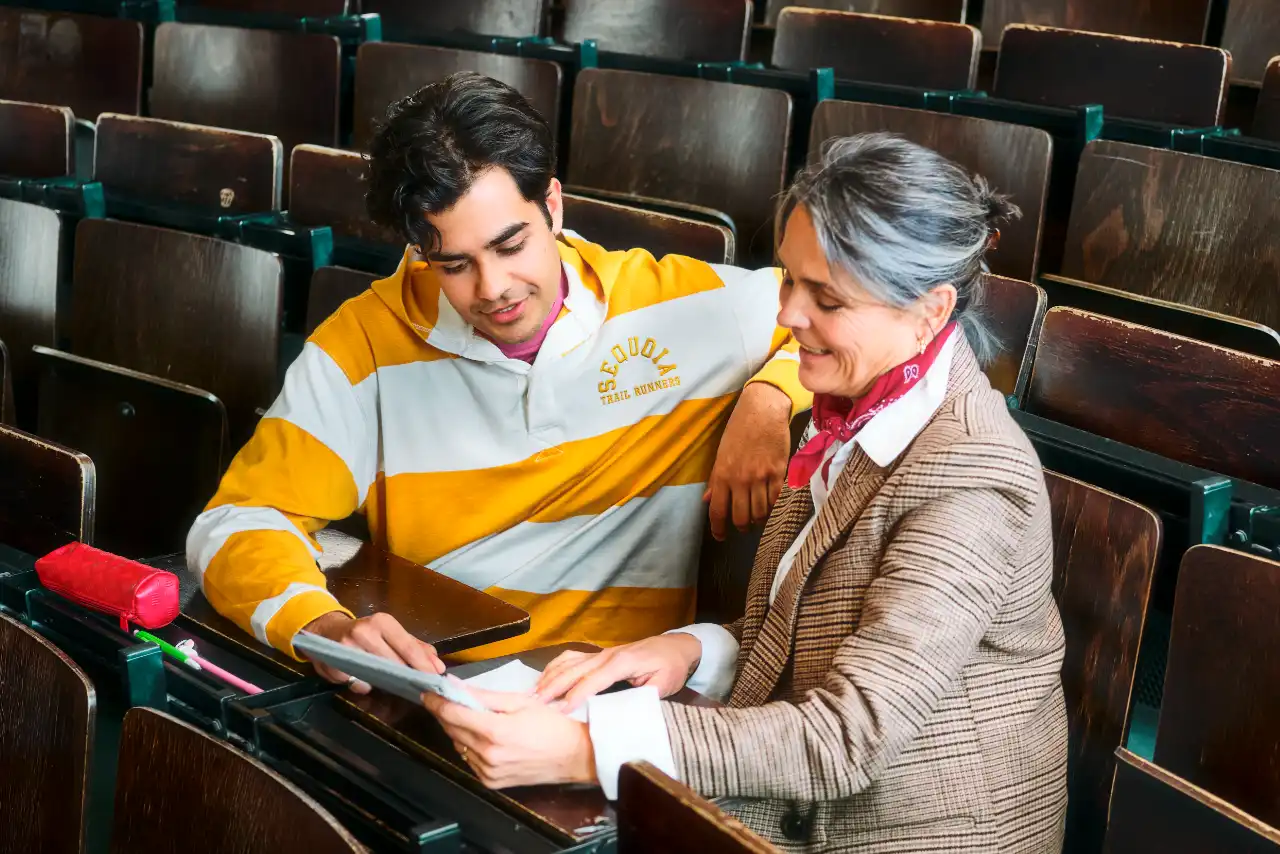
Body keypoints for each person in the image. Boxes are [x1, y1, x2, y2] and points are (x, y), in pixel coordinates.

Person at [422, 134, 1069, 853]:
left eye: (826, 298)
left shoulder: (972, 480)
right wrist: (687, 650)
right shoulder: (859, 404)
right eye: (789, 280)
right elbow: (815, 632)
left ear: (928, 312)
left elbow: (845, 739)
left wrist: (585, 747)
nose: (789, 315)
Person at [184, 72, 810, 682]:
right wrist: (322, 626)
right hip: (436, 685)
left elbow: (866, 315)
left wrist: (769, 396)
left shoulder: (680, 305)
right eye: (455, 264)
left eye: (511, 246)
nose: (494, 289)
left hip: (610, 698)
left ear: (553, 206)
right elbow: (234, 523)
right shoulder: (361, 347)